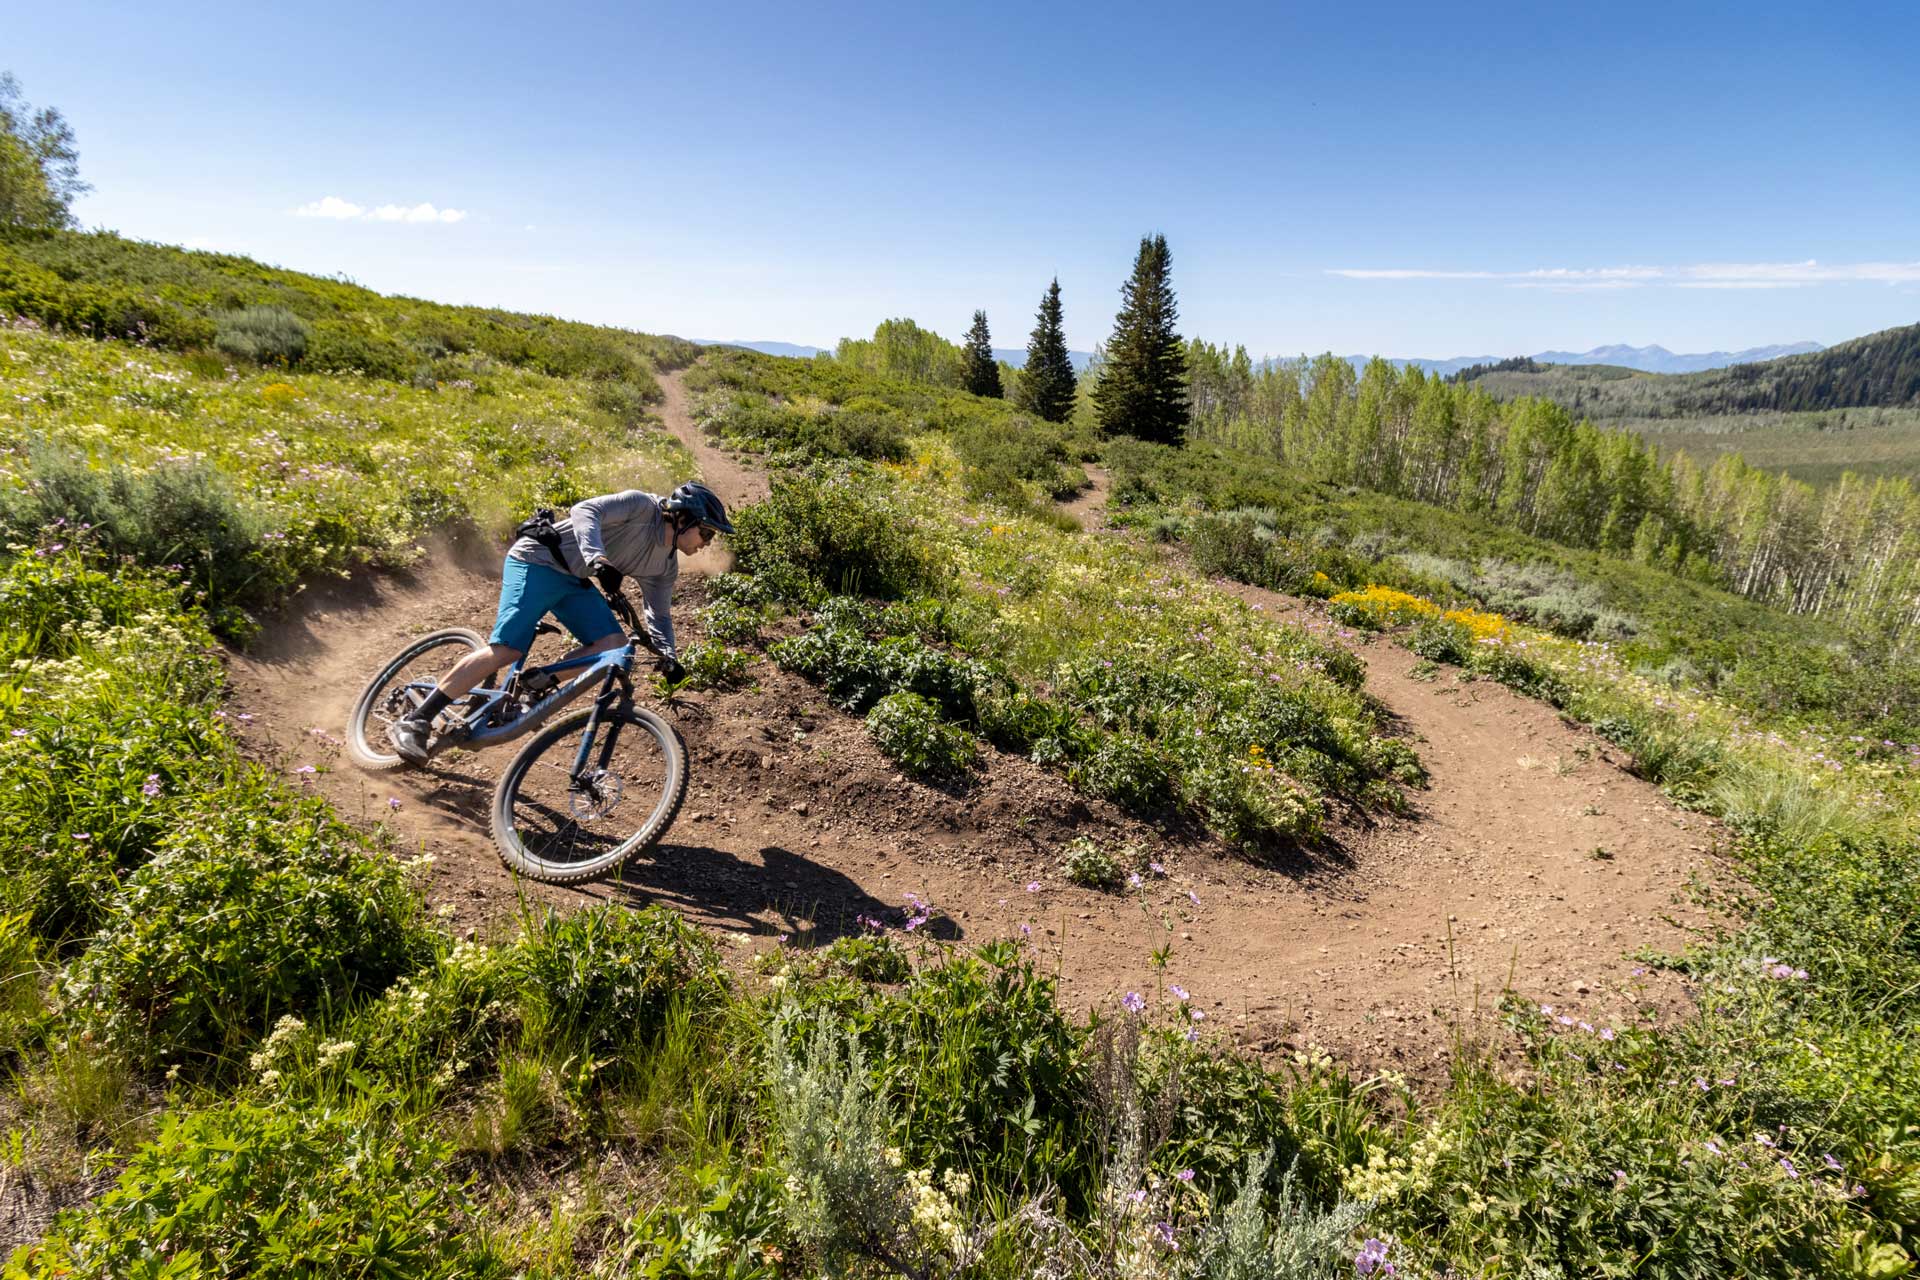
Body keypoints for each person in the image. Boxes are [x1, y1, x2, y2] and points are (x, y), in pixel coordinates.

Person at [388, 480, 734, 765]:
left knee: (614, 647)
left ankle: (538, 682)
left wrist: (668, 654)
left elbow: (658, 615)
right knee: (507, 649)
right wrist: (597, 558)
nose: (707, 543)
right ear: (685, 519)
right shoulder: (641, 506)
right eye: (706, 533)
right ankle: (417, 719)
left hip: (573, 581)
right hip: (537, 560)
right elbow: (586, 511)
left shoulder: (664, 567)